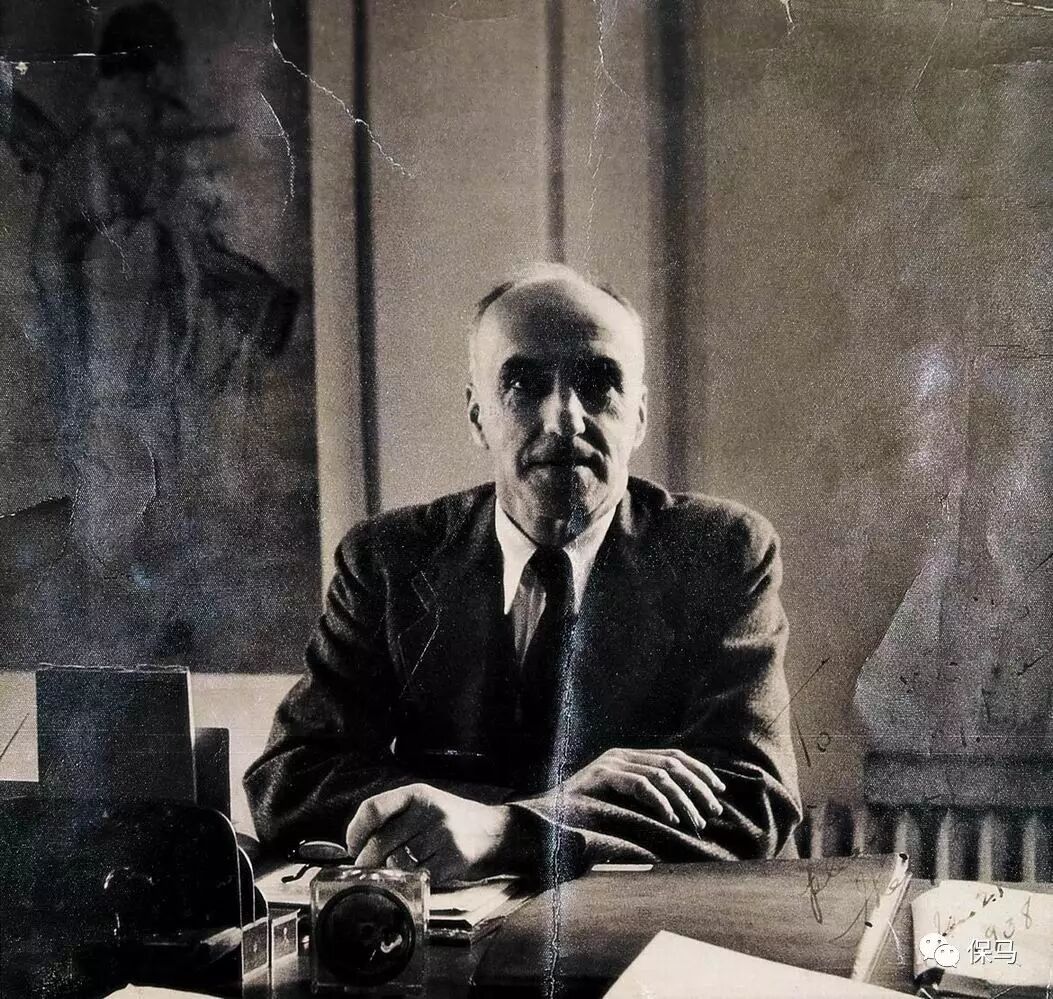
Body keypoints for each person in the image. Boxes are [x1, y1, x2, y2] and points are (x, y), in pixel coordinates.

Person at [245, 263, 801, 885]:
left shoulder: (720, 551)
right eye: (523, 383)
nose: (564, 421)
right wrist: (542, 806)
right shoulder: (389, 559)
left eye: (599, 382)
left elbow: (753, 802)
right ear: (477, 416)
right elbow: (290, 781)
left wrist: (507, 830)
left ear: (639, 416)